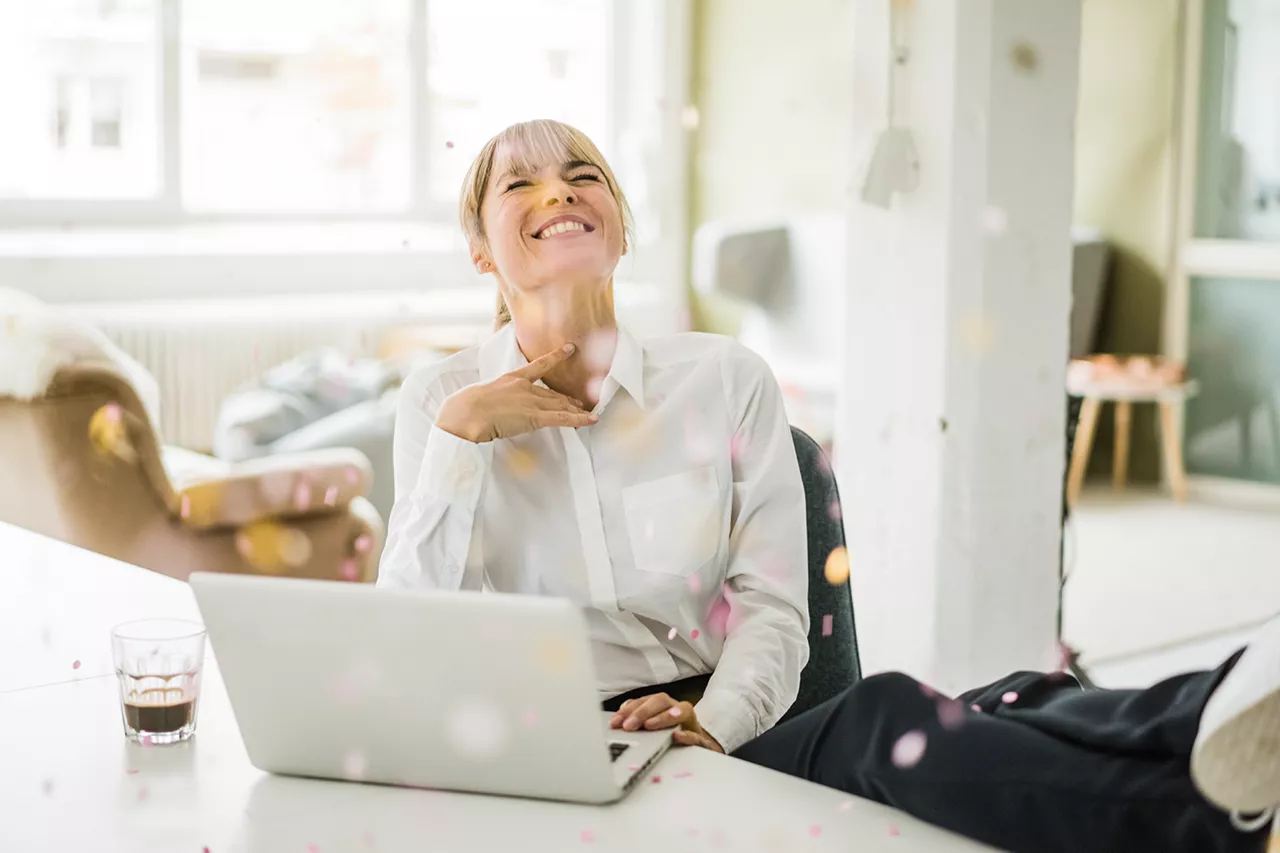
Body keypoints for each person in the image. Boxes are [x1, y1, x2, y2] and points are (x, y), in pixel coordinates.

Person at [376, 119, 1279, 853]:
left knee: (911, 713)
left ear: (618, 226)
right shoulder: (437, 403)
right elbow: (408, 636)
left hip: (715, 711)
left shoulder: (725, 380)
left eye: (584, 175)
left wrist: (711, 721)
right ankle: (1205, 749)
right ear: (480, 249)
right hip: (552, 746)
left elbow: (773, 609)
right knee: (967, 708)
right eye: (520, 183)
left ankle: (1219, 754)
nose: (559, 191)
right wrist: (461, 441)